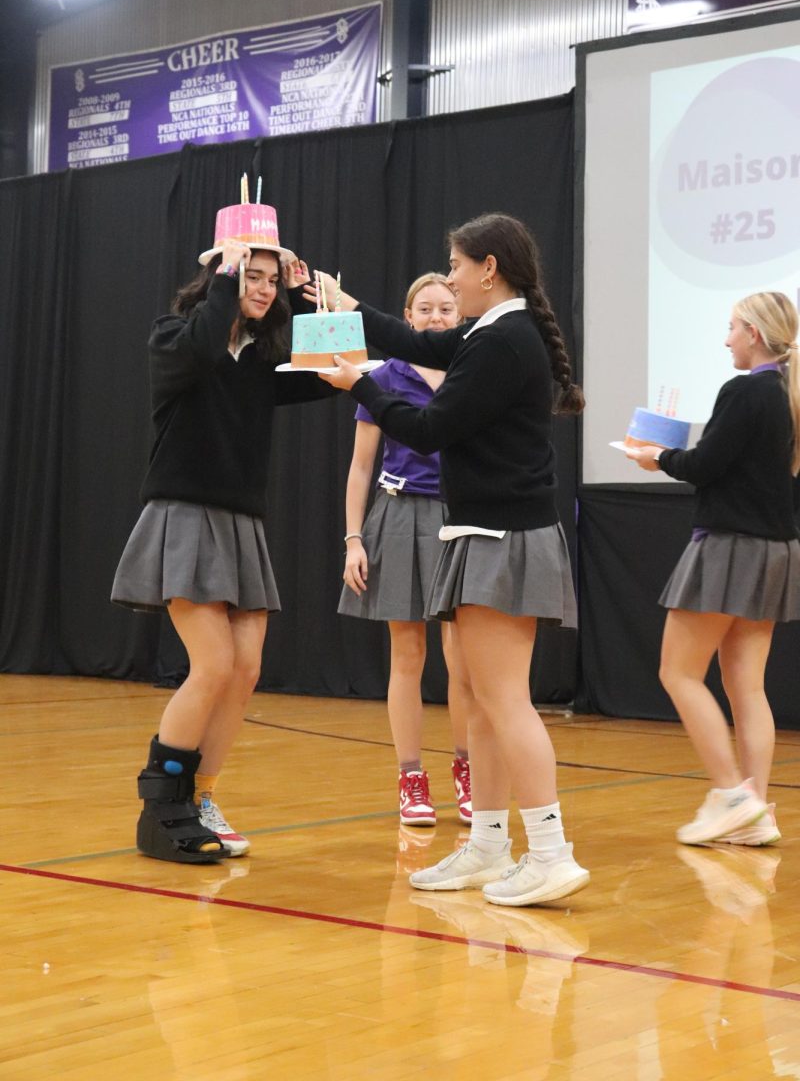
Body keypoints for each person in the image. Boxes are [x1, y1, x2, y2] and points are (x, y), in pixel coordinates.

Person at [315, 212, 590, 907]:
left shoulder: (504, 343)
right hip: (480, 533)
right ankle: (490, 846)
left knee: (505, 702)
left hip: (501, 538)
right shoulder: (493, 331)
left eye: (458, 268)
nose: (453, 280)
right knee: (480, 701)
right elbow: (413, 337)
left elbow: (430, 429)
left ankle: (551, 852)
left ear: (488, 270)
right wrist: (350, 311)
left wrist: (363, 387)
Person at [113, 213, 330, 863]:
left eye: (271, 280)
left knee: (244, 669)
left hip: (241, 525)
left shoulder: (259, 362)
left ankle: (201, 796)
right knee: (210, 666)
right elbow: (206, 343)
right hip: (184, 517)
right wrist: (228, 275)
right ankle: (162, 808)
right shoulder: (176, 339)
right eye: (250, 276)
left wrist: (316, 306)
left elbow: (329, 373)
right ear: (222, 276)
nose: (263, 289)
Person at [626, 290, 800, 847]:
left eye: (730, 328)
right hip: (776, 550)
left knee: (677, 673)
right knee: (747, 685)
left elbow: (704, 465)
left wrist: (656, 458)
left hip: (729, 547)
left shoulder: (744, 390)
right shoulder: (786, 394)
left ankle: (731, 797)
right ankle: (757, 811)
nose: (725, 340)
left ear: (753, 332)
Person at [339, 272, 471, 826]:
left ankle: (468, 770)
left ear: (460, 316)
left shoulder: (474, 370)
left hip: (461, 516)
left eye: (446, 308)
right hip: (397, 515)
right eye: (425, 309)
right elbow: (361, 466)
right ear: (407, 317)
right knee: (408, 655)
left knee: (464, 661)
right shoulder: (383, 376)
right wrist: (353, 540)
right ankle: (411, 776)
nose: (436, 317)